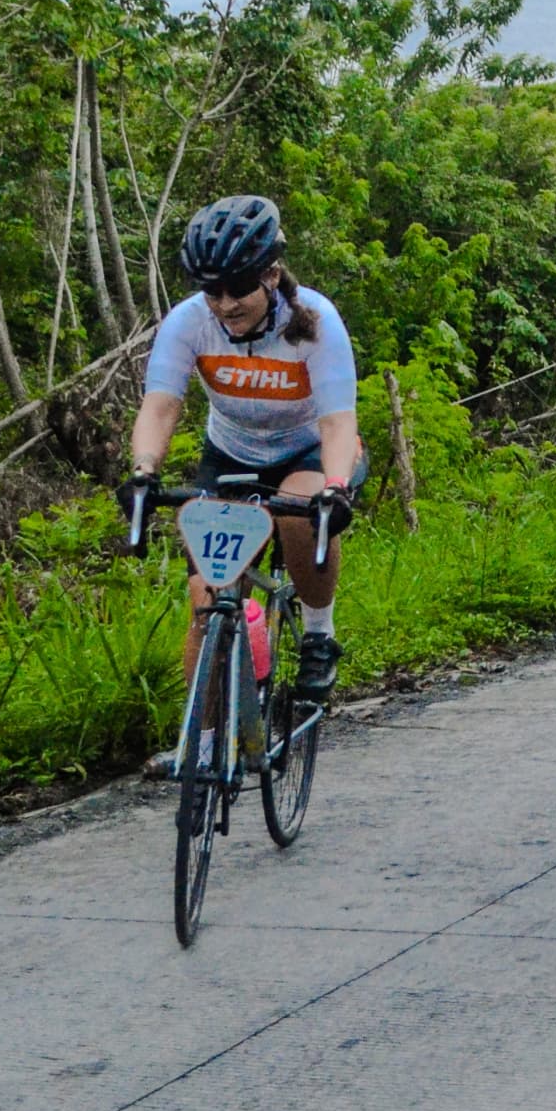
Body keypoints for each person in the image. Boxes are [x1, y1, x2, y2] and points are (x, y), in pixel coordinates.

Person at [121, 196, 364, 764]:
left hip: (311, 450)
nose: (225, 304)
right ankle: (203, 747)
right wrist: (142, 472)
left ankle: (318, 633)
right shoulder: (190, 322)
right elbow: (160, 406)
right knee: (207, 602)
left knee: (299, 511)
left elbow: (337, 421)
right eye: (213, 291)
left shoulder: (315, 322)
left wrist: (334, 486)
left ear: (271, 275)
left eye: (238, 288)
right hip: (230, 454)